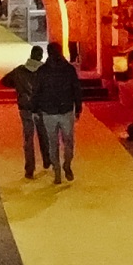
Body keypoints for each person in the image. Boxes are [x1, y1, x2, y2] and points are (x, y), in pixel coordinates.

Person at [32, 41, 82, 184]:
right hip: (65, 110)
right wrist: (78, 107)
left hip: (48, 112)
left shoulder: (42, 71)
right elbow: (76, 89)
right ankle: (67, 164)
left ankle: (57, 171)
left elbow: (36, 91)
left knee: (52, 143)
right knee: (68, 142)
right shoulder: (69, 69)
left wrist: (35, 109)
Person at [0, 44, 50, 179]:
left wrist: (18, 87)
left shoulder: (19, 71)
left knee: (28, 140)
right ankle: (47, 160)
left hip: (25, 108)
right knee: (44, 135)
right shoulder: (45, 71)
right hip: (40, 108)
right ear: (40, 57)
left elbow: (4, 81)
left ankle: (29, 169)